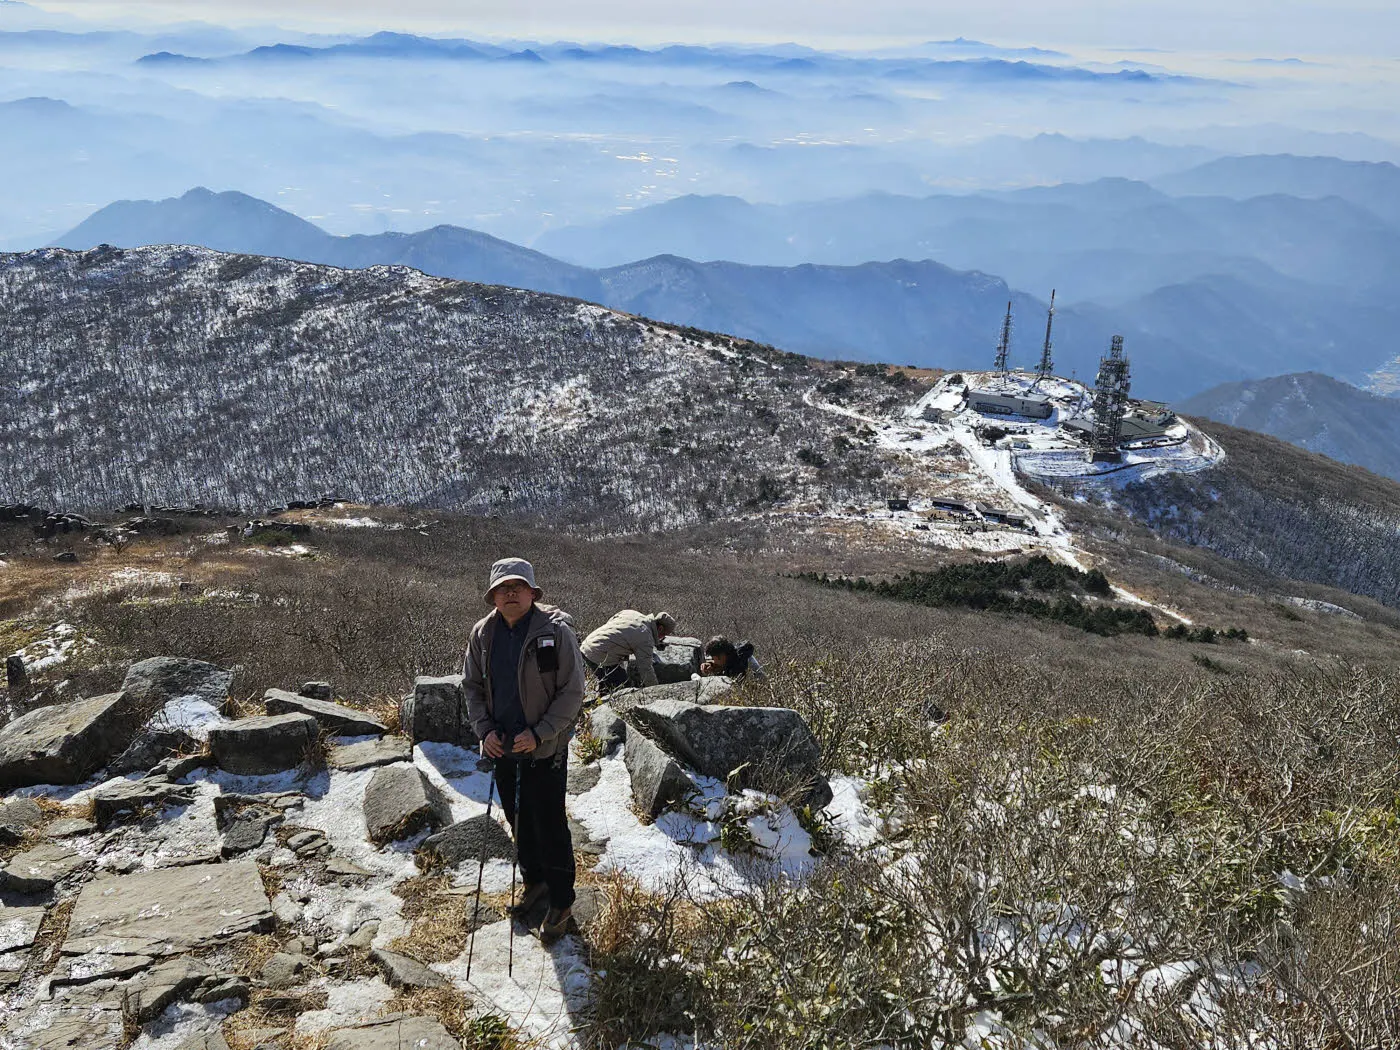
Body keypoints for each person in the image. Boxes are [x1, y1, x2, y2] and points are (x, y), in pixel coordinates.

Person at [462, 557, 584, 941]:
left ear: (533, 592)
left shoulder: (556, 631)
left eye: (517, 586)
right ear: (492, 596)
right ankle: (535, 882)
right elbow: (472, 688)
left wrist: (543, 732)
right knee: (518, 819)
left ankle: (562, 900)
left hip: (545, 749)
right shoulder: (483, 635)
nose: (510, 593)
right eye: (503, 588)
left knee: (549, 823)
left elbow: (572, 691)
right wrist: (485, 731)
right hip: (504, 748)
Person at [581, 609, 677, 691]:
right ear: (660, 629)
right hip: (599, 655)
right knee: (622, 688)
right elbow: (645, 669)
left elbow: (615, 625)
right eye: (664, 634)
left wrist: (655, 642)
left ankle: (601, 700)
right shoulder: (645, 637)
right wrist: (656, 691)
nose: (663, 637)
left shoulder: (631, 613)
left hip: (588, 644)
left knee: (608, 682)